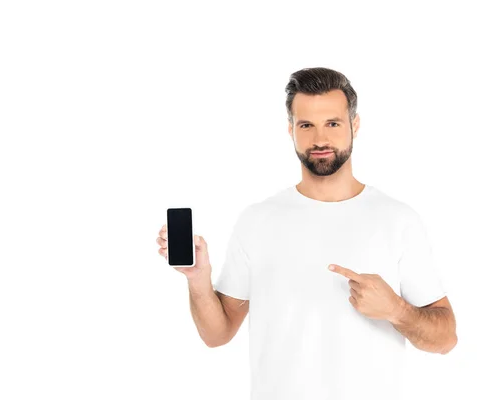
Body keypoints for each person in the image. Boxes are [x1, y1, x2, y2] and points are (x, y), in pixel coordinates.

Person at [155, 67, 457, 400]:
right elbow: (217, 334)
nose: (320, 140)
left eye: (332, 123)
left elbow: (446, 338)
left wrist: (396, 310)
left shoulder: (398, 219)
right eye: (306, 125)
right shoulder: (258, 220)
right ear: (290, 130)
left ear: (354, 125)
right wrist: (198, 279)